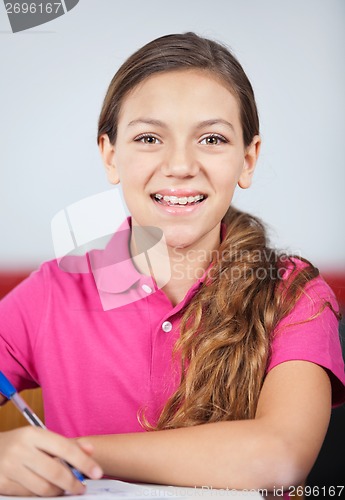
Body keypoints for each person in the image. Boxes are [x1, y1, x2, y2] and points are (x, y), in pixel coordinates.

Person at [0, 32, 344, 497]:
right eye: (148, 137)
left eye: (211, 138)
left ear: (248, 159)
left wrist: (70, 453)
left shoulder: (292, 294)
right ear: (110, 155)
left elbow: (279, 457)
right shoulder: (53, 291)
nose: (180, 165)